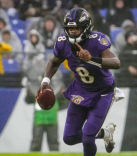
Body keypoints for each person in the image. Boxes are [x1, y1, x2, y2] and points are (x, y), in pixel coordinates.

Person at [37, 8, 121, 156]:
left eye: (77, 28)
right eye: (70, 28)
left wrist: (92, 59)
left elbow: (116, 62)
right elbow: (54, 62)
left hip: (102, 92)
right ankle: (105, 133)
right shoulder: (63, 42)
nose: (73, 31)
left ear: (86, 28)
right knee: (69, 138)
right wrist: (45, 81)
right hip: (81, 90)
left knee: (88, 138)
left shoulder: (97, 40)